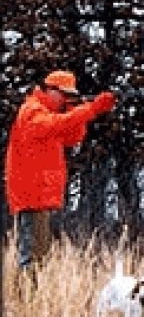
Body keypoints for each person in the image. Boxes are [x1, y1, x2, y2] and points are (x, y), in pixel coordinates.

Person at [5, 70, 116, 282]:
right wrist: (90, 109)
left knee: (39, 255)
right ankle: (26, 302)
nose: (66, 99)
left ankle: (30, 299)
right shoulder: (32, 111)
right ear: (50, 90)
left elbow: (73, 137)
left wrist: (75, 110)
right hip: (32, 196)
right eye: (64, 95)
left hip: (42, 196)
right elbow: (55, 125)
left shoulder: (48, 112)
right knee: (32, 257)